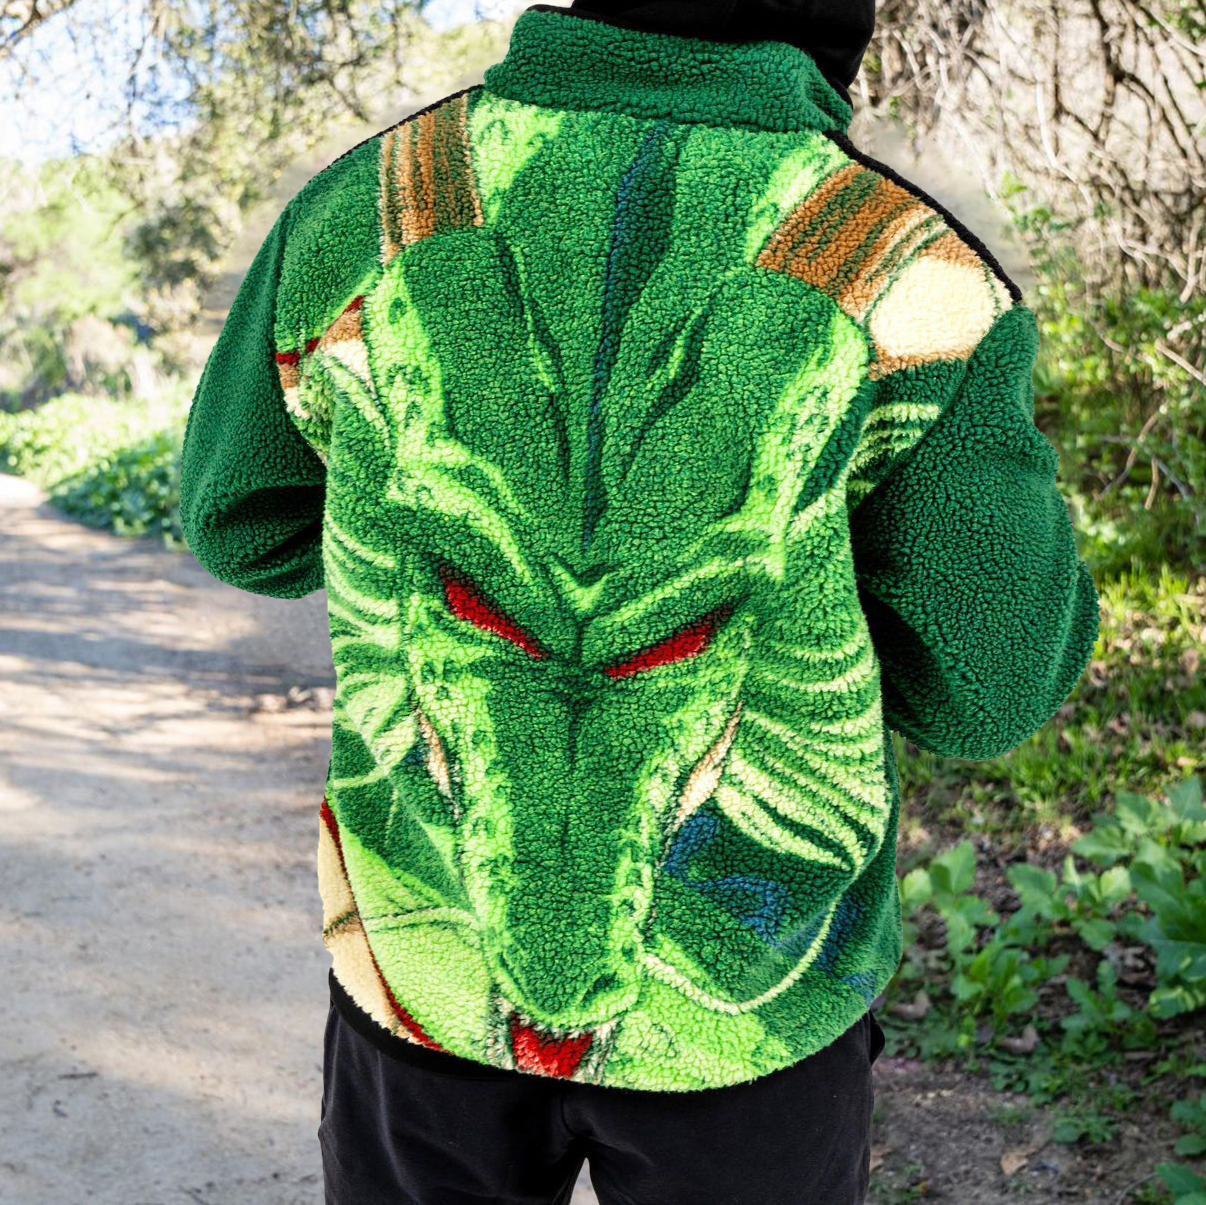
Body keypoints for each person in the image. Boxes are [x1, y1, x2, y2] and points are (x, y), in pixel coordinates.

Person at [177, 1, 1101, 1201]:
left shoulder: (360, 207)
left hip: (418, 977)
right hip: (754, 1026)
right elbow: (990, 690)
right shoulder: (923, 274)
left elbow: (240, 524)